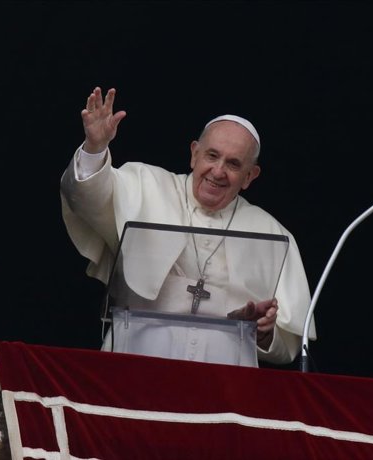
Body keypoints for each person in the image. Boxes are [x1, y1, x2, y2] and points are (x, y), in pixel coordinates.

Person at [60, 87, 315, 365]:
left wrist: (264, 333)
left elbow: (287, 347)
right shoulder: (146, 184)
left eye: (233, 163)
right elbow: (84, 198)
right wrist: (95, 148)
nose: (218, 172)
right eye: (212, 156)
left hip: (225, 380)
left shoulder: (272, 234)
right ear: (194, 153)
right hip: (136, 360)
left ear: (249, 176)